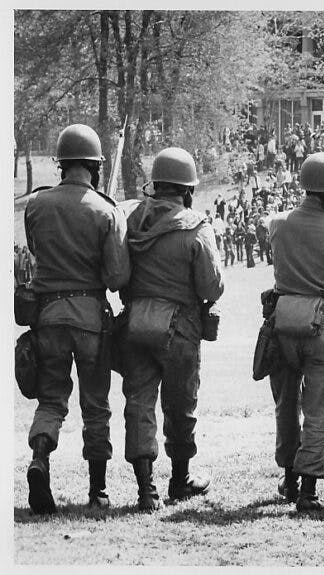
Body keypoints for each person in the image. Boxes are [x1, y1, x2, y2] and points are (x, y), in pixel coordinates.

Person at [23, 124, 131, 513]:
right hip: (90, 318)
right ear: (94, 166)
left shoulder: (36, 205)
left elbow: (36, 252)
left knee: (51, 400)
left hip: (48, 317)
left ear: (62, 164)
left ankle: (39, 456)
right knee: (96, 406)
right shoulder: (105, 210)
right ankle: (98, 491)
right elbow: (118, 278)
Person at [120, 147, 224, 511]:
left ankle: (145, 489)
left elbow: (119, 274)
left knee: (138, 403)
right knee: (180, 406)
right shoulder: (197, 226)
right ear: (188, 189)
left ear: (156, 185)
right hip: (180, 326)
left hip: (135, 322)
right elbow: (212, 287)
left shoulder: (131, 221)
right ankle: (179, 481)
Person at [268, 152, 324, 512]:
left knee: (285, 406)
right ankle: (308, 491)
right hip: (323, 325)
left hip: (282, 322)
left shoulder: (278, 223)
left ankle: (289, 479)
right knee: (318, 411)